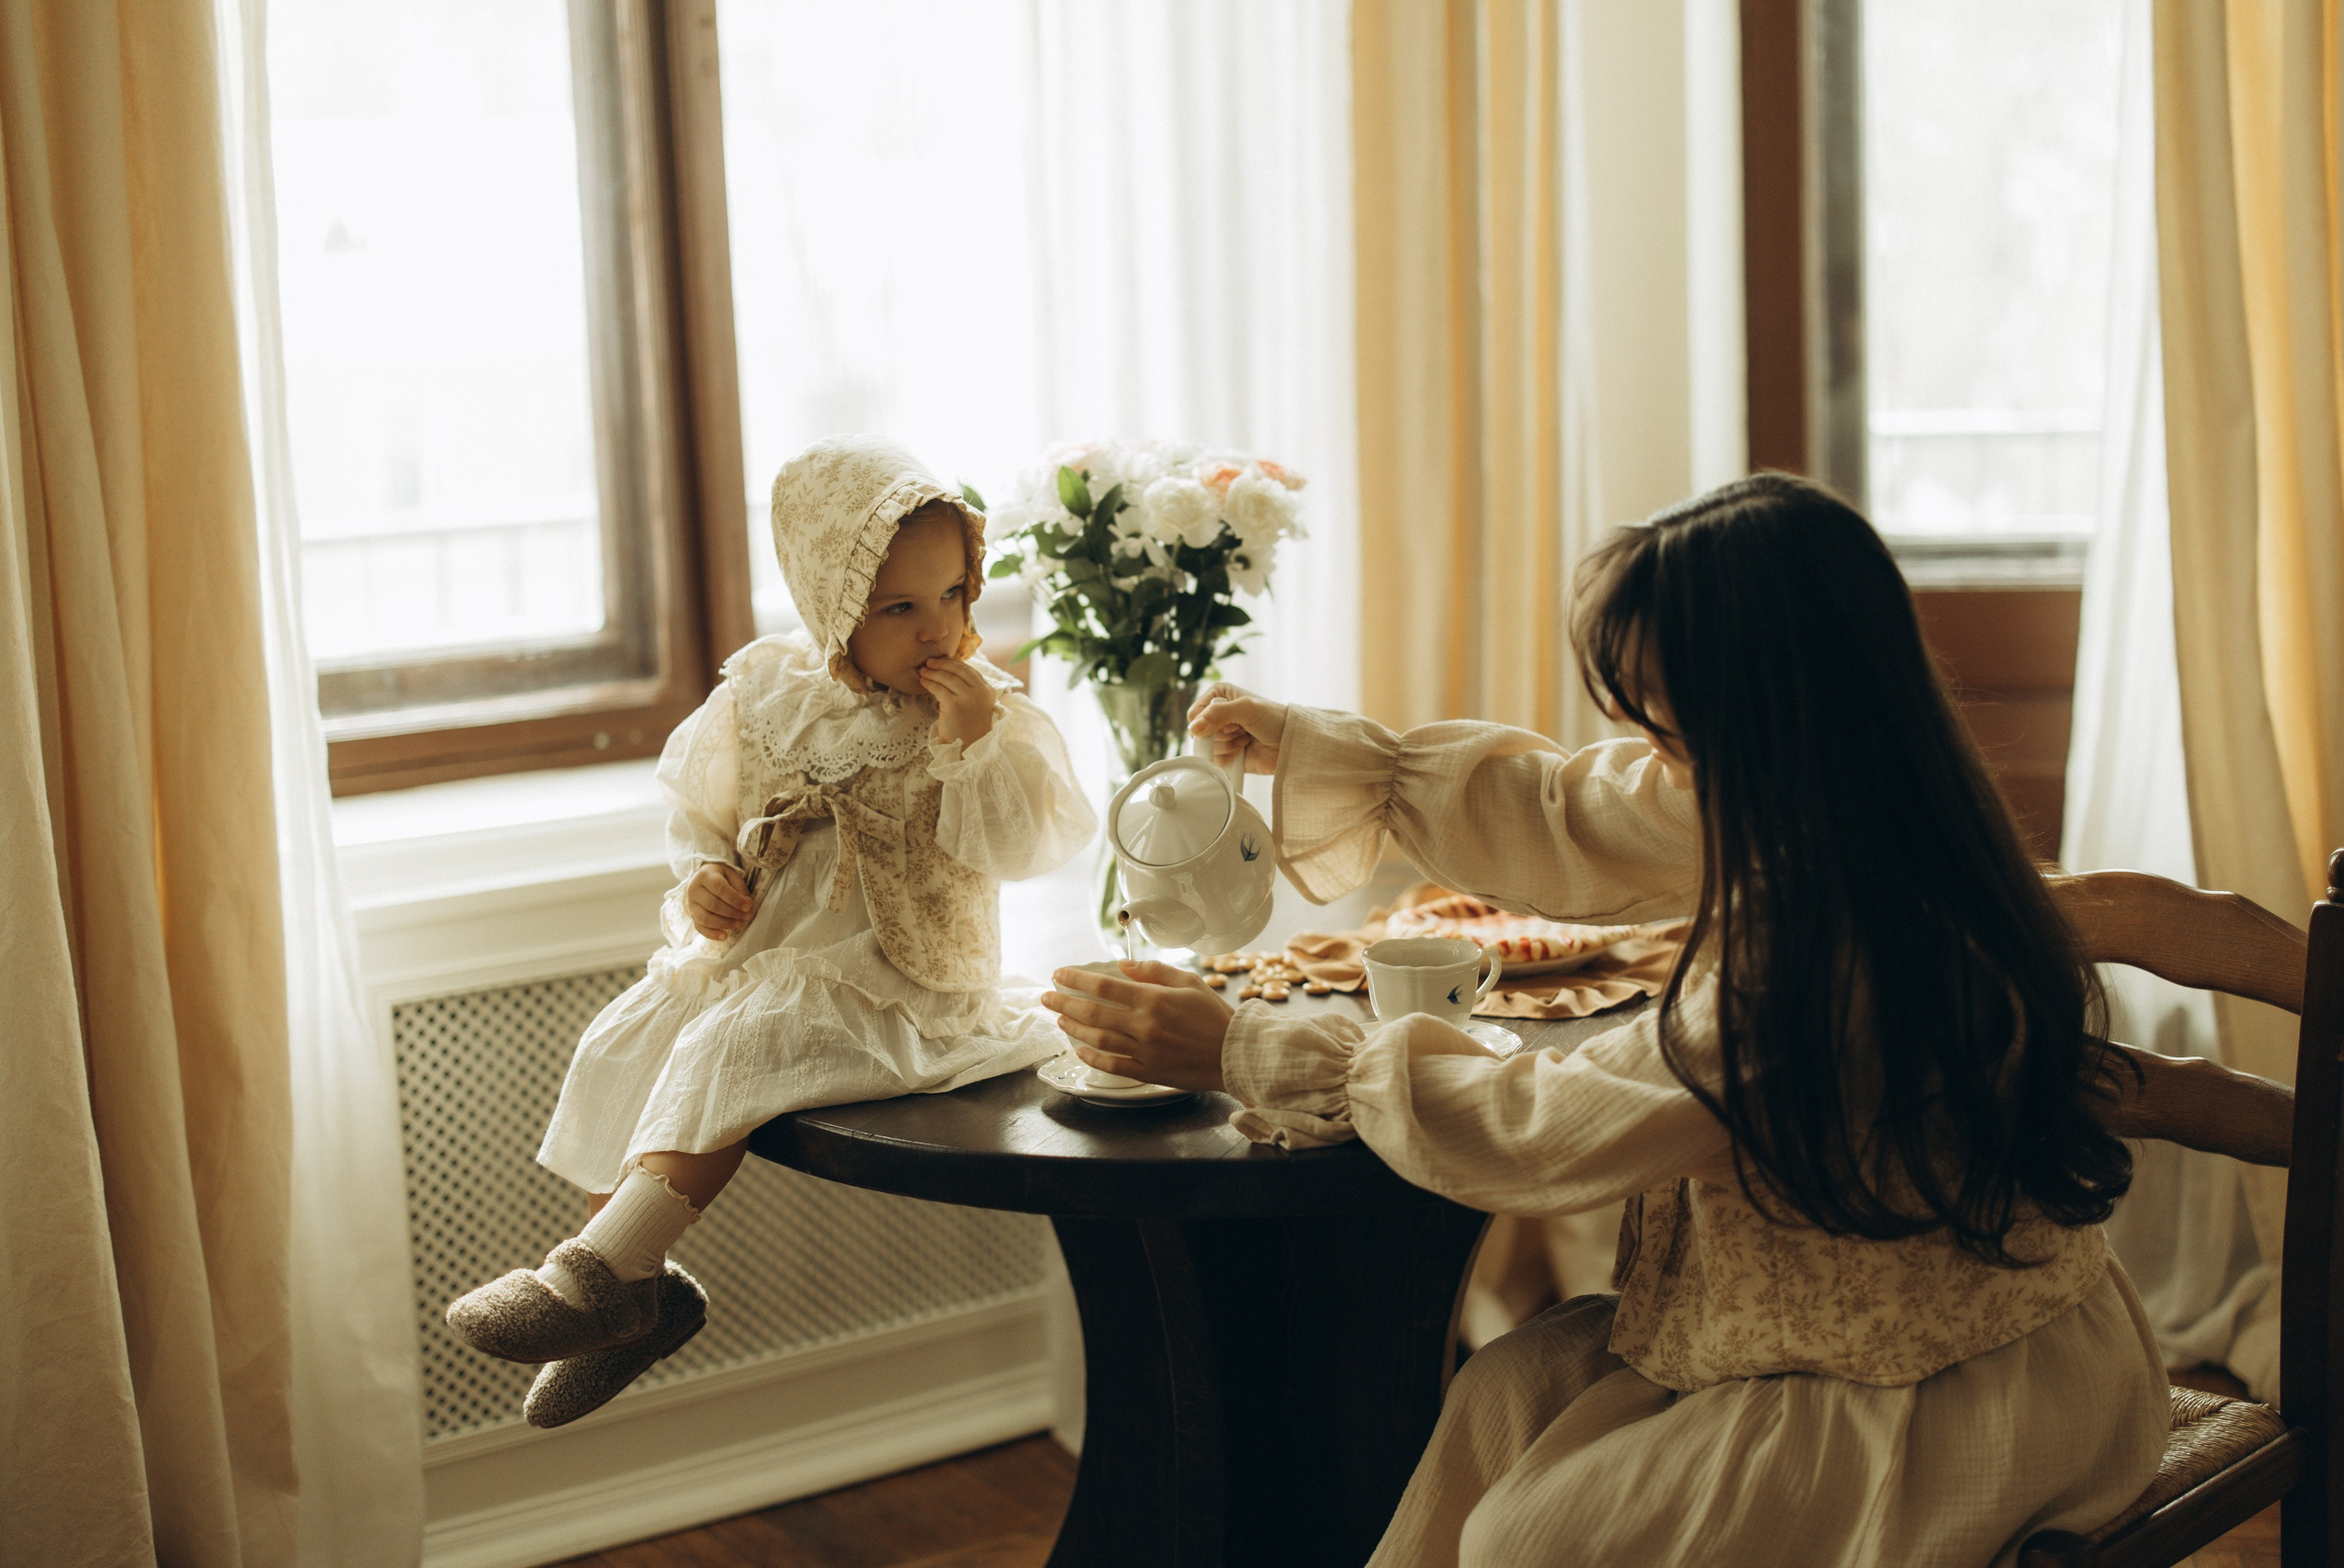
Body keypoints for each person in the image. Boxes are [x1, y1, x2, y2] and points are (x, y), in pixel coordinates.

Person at [1042, 473, 2169, 1566]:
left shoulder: (1826, 945)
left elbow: (1549, 1123)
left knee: (1524, 1542)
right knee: (1498, 1394)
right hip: (1831, 1325)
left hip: (1945, 1387)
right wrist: (1333, 756)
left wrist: (1242, 1046)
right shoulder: (1840, 790)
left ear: (1759, 713)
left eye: (1670, 729)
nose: (1655, 753)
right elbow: (1574, 810)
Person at [448, 435, 1096, 1427]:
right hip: (766, 955)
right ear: (830, 606)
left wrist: (971, 750)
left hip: (903, 978)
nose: (939, 627)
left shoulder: (984, 715)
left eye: (954, 593)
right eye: (899, 608)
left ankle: (598, 1276)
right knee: (631, 1041)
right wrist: (703, 878)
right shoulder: (768, 694)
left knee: (740, 1040)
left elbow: (1025, 844)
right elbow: (700, 812)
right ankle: (631, 1294)